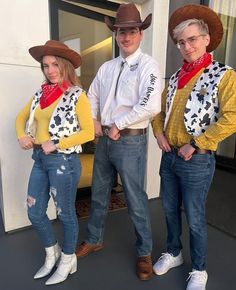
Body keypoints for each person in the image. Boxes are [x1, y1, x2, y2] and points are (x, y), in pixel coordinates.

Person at [152, 4, 236, 290]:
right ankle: (174, 253)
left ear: (206, 39)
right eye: (181, 42)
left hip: (197, 160)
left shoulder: (224, 75)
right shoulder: (175, 78)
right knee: (168, 210)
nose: (186, 46)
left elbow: (232, 118)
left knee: (195, 217)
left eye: (192, 39)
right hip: (169, 157)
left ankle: (199, 269)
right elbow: (158, 112)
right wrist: (158, 134)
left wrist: (197, 143)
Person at [76, 3, 161, 281]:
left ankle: (144, 253)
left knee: (135, 199)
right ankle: (94, 238)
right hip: (105, 141)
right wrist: (95, 121)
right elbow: (92, 96)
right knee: (99, 193)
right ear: (116, 34)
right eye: (121, 32)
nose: (126, 37)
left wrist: (119, 124)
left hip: (129, 142)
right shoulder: (107, 67)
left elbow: (150, 105)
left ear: (140, 34)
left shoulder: (148, 65)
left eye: (132, 31)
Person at [15, 40, 94, 285]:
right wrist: (22, 135)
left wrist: (57, 142)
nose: (49, 70)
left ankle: (68, 259)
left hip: (63, 161)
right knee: (35, 211)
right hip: (39, 159)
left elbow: (89, 132)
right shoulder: (41, 92)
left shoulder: (77, 94)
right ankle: (53, 253)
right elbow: (21, 116)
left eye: (54, 64)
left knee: (65, 213)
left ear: (65, 66)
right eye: (45, 65)